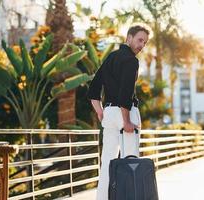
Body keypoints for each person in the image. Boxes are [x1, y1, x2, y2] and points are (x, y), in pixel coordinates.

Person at [87, 24, 150, 200]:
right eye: (139, 40)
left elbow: (93, 90)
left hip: (109, 114)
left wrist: (101, 113)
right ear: (128, 38)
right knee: (131, 162)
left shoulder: (111, 57)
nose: (141, 45)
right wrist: (127, 121)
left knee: (107, 160)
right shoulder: (131, 60)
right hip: (125, 114)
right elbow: (126, 93)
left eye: (144, 43)